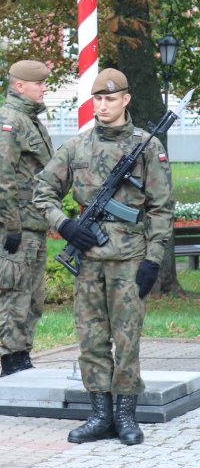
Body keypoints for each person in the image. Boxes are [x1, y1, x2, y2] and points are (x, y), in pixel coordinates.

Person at [33, 68, 173, 446]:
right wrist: (64, 225)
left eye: (111, 99)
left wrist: (153, 259)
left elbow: (161, 208)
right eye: (98, 99)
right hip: (89, 257)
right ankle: (100, 415)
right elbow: (42, 190)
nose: (103, 105)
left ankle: (125, 415)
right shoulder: (76, 147)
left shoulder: (147, 147)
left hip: (130, 259)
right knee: (91, 338)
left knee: (127, 339)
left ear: (126, 100)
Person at [0, 59, 54, 375]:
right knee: (15, 293)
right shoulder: (9, 121)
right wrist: (11, 224)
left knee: (33, 297)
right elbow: (2, 176)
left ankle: (23, 355)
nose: (44, 88)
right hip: (18, 224)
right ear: (20, 86)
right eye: (39, 83)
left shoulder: (31, 120)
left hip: (34, 221)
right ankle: (11, 360)